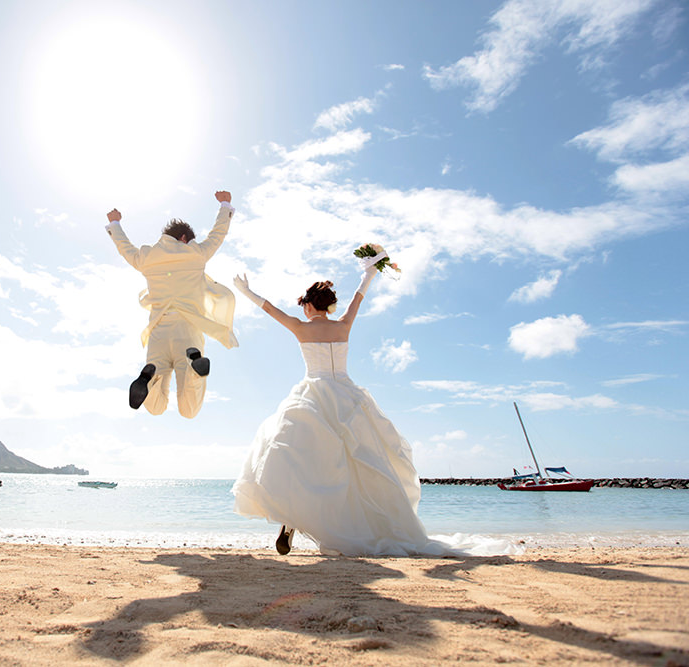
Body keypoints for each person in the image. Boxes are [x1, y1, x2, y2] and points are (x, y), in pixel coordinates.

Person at [231, 252, 516, 557]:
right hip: (346, 395)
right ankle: (336, 522)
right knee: (358, 466)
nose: (303, 308)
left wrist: (246, 292)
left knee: (294, 454)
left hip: (312, 395)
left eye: (304, 304)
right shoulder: (343, 326)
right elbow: (358, 299)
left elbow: (271, 310)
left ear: (310, 305)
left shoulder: (301, 328)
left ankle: (292, 518)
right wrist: (369, 273)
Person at [105, 191, 238, 418]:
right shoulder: (196, 254)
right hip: (188, 331)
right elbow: (218, 235)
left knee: (155, 408)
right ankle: (195, 372)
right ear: (185, 238)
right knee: (189, 410)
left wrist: (115, 223)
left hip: (158, 330)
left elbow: (124, 247)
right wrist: (225, 205)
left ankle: (150, 380)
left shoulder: (147, 256)